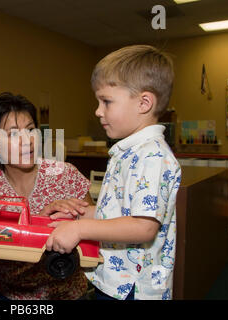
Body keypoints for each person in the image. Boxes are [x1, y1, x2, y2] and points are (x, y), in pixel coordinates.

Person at [46, 45, 182, 300]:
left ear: (144, 103)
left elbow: (143, 227)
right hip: (114, 280)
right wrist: (84, 214)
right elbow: (123, 213)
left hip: (134, 288)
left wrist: (80, 230)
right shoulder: (129, 151)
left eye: (106, 101)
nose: (98, 111)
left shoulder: (153, 156)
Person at [0, 92, 94, 300]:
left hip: (65, 294)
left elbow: (94, 244)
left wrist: (74, 220)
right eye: (13, 134)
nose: (27, 141)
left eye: (30, 130)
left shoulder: (66, 174)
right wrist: (40, 223)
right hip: (4, 294)